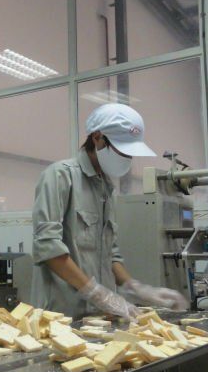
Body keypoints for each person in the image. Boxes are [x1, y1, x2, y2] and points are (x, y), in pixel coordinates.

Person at [31, 103, 188, 319]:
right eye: (122, 150)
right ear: (97, 138)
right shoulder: (60, 176)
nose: (126, 158)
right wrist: (97, 293)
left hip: (99, 317)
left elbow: (110, 253)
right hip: (61, 316)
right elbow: (48, 249)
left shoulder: (105, 187)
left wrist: (135, 288)